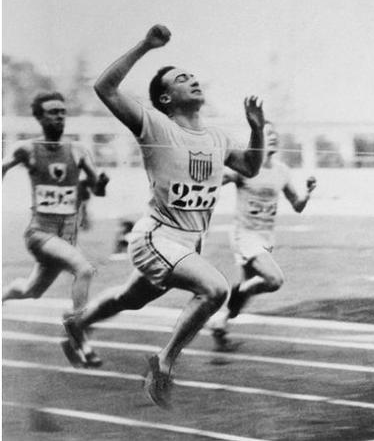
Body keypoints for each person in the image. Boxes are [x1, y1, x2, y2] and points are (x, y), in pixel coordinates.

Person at [64, 24, 265, 408]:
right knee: (216, 289)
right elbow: (104, 87)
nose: (192, 81)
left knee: (130, 299)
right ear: (165, 99)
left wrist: (256, 131)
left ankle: (79, 322)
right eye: (181, 79)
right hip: (156, 238)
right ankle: (164, 361)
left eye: (192, 76)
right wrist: (146, 45)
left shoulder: (218, 138)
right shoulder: (157, 126)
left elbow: (252, 168)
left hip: (186, 242)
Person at [2, 91, 110, 366]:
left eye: (62, 111)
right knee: (83, 268)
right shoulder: (27, 149)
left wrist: (102, 184)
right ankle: (79, 333)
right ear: (39, 117)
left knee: (31, 291)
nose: (59, 116)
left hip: (66, 237)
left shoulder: (78, 151)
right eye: (52, 112)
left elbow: (97, 189)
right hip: (39, 233)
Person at [208, 121, 316, 351]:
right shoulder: (245, 167)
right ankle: (230, 302)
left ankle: (221, 322)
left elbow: (297, 205)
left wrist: (307, 192)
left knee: (247, 288)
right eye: (268, 135)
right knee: (273, 280)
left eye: (275, 134)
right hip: (244, 235)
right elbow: (213, 180)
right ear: (257, 140)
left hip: (266, 237)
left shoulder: (282, 171)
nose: (274, 137)